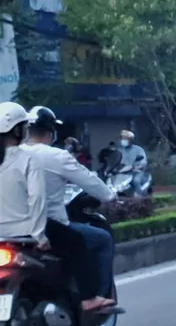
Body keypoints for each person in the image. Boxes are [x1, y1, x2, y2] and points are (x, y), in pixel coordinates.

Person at [0, 103, 112, 312]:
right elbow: (37, 199)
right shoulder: (41, 157)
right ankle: (90, 298)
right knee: (88, 240)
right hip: (34, 226)